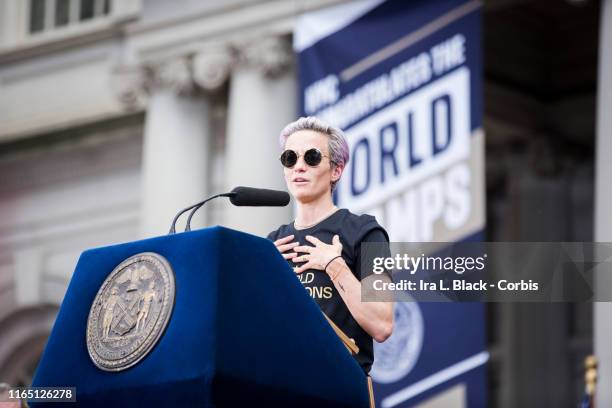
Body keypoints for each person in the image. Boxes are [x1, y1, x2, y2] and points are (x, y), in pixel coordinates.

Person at [266, 116, 393, 375]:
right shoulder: (271, 245)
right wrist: (262, 279)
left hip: (338, 385)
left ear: (336, 170)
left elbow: (382, 324)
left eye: (311, 157)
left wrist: (334, 266)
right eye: (290, 158)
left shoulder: (366, 232)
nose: (298, 167)